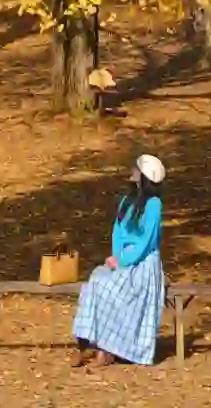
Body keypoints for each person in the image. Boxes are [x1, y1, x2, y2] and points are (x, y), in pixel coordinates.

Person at [72, 152, 166, 368]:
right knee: (95, 281)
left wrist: (123, 262)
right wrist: (116, 257)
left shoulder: (153, 205)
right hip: (123, 258)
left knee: (109, 287)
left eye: (137, 168)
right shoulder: (126, 201)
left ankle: (107, 349)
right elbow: (118, 233)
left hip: (143, 263)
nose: (133, 170)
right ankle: (83, 344)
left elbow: (146, 242)